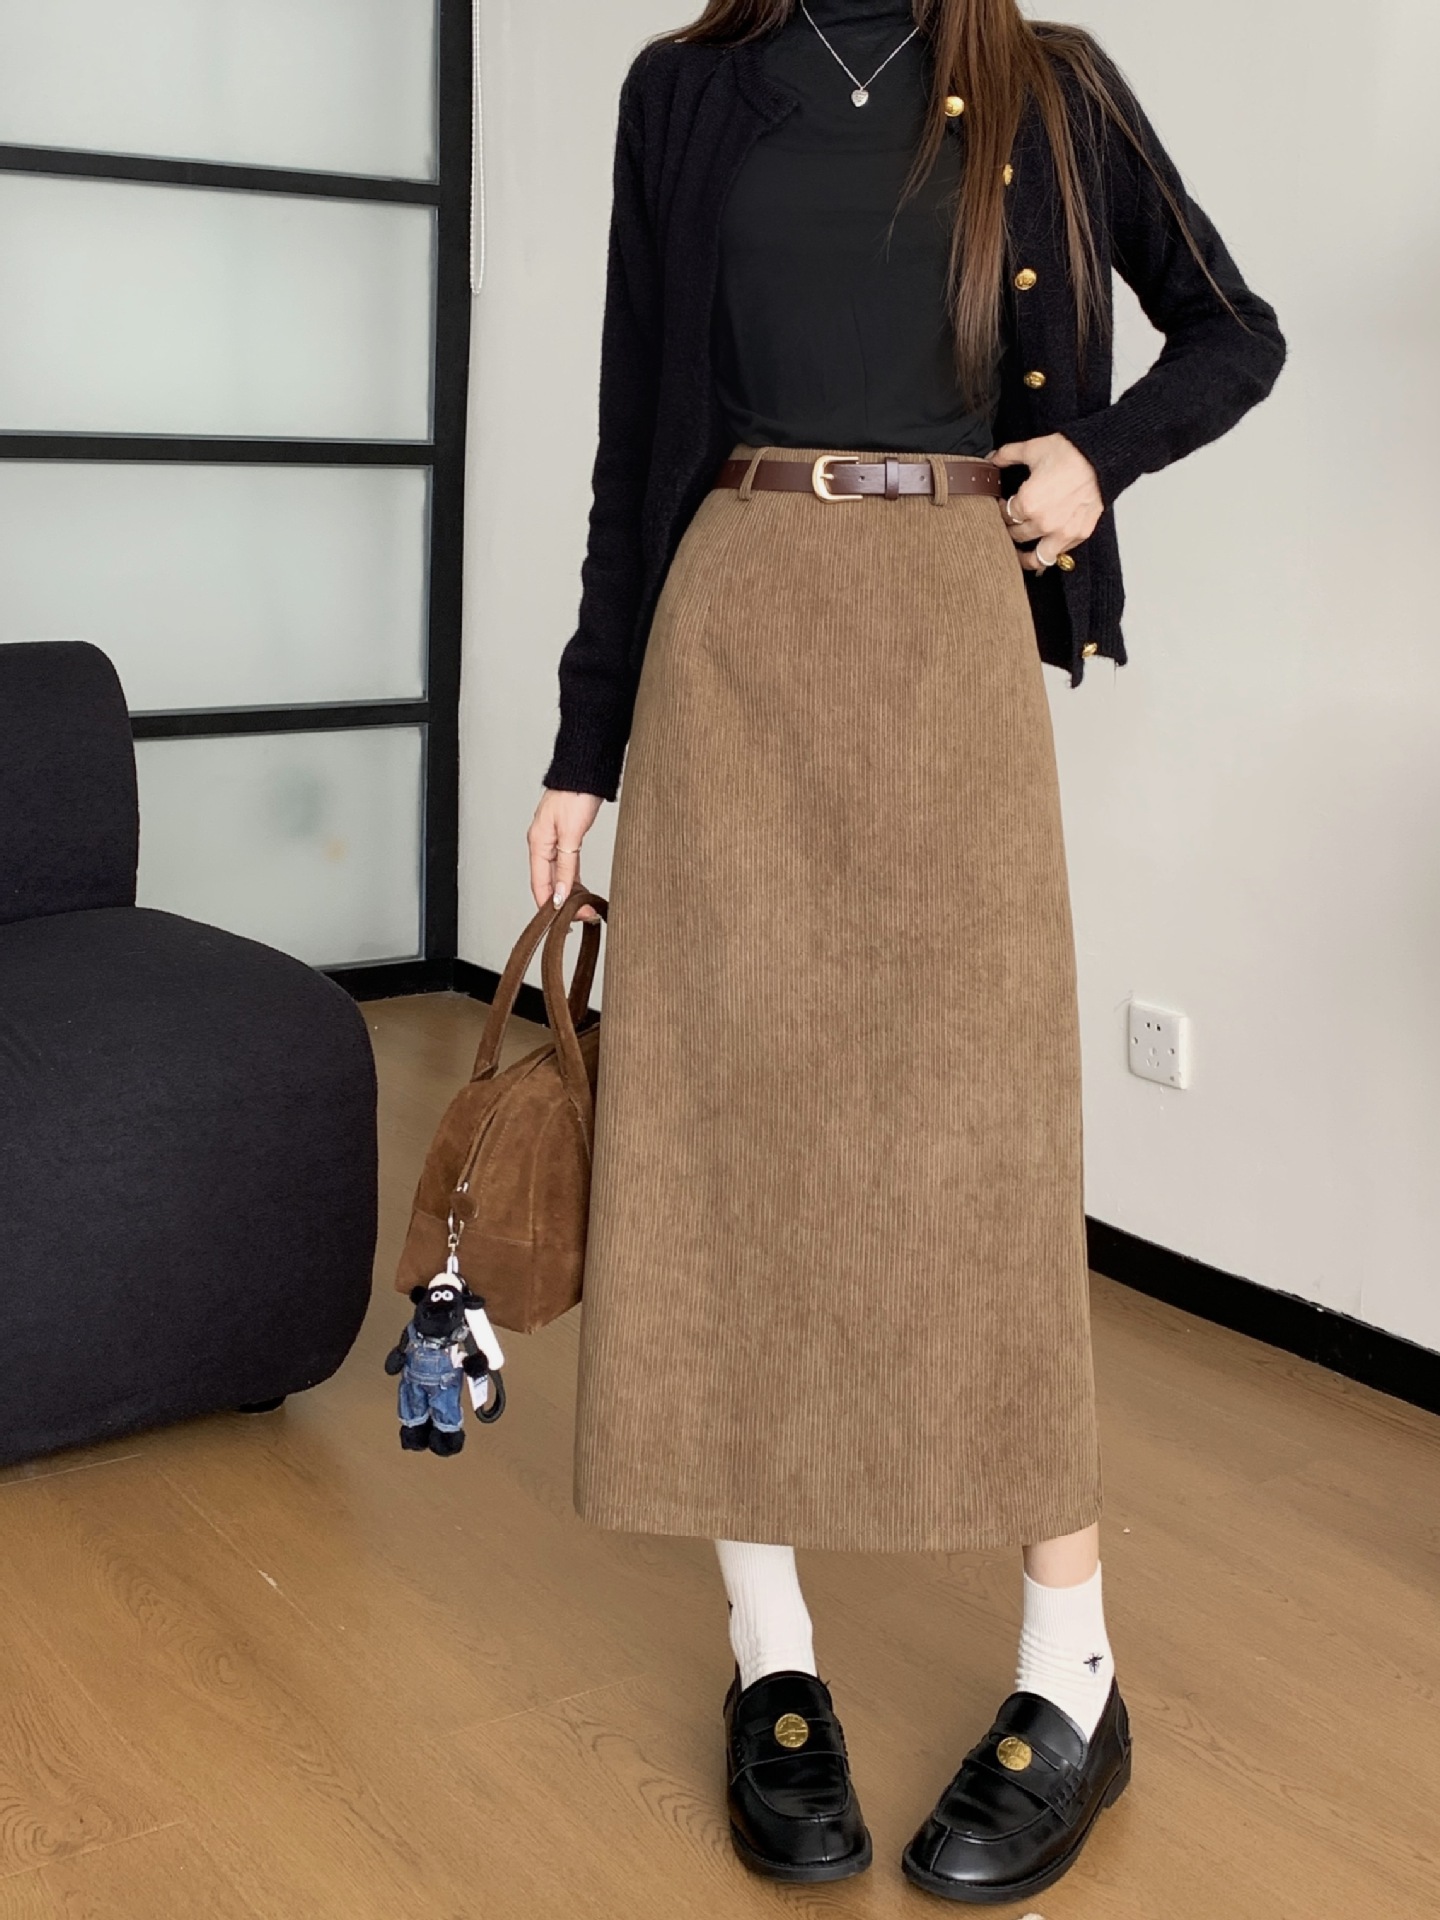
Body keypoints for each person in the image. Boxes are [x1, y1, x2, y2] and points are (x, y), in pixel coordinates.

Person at [526, 0, 1284, 1901]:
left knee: (985, 1152)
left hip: (950, 637)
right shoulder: (685, 90)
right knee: (727, 1140)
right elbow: (635, 435)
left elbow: (1234, 332)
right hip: (729, 635)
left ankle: (1073, 1668)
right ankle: (769, 1652)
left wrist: (1097, 455)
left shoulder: (1051, 83)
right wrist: (584, 738)